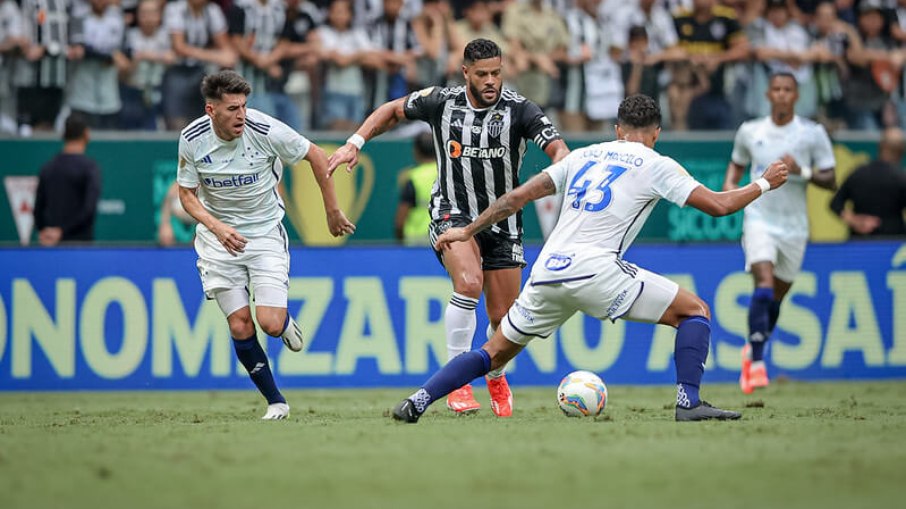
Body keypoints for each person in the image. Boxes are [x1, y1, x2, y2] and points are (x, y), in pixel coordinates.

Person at [390, 93, 789, 424]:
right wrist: (764, 182)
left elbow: (517, 198)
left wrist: (468, 230)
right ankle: (689, 402)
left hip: (548, 271)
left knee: (493, 351)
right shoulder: (657, 163)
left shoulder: (583, 156)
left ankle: (419, 400)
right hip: (597, 269)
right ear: (656, 134)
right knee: (694, 310)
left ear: (617, 130)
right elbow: (719, 205)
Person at [328, 38, 570, 417]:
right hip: (452, 214)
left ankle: (495, 374)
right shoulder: (442, 101)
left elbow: (558, 148)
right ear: (466, 74)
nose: (491, 80)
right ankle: (456, 384)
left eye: (497, 72)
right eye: (483, 74)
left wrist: (561, 166)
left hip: (504, 221)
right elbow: (392, 110)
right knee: (469, 283)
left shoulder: (521, 110)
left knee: (504, 321)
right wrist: (355, 142)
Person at [177, 70, 355, 419]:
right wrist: (216, 227)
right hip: (218, 241)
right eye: (231, 109)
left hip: (264, 235)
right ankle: (276, 402)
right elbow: (186, 194)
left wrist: (332, 212)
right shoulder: (192, 138)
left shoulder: (265, 129)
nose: (240, 115)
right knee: (240, 324)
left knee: (270, 323)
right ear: (211, 110)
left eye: (243, 106)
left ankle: (285, 323)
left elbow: (317, 155)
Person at [723, 72, 836, 395]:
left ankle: (752, 348)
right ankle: (757, 363)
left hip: (795, 227)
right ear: (768, 95)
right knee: (764, 283)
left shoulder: (812, 134)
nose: (782, 94)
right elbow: (737, 164)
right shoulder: (750, 131)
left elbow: (831, 180)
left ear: (796, 96)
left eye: (788, 90)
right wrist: (732, 186)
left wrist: (803, 171)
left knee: (775, 298)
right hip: (759, 218)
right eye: (777, 89)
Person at [33, 115, 102, 246]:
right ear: (86, 134)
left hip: (51, 245)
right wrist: (61, 232)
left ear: (64, 135)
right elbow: (89, 210)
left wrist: (46, 232)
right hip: (80, 247)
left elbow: (38, 209)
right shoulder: (90, 168)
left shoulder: (48, 167)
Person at [830, 127, 906, 237]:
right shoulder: (901, 178)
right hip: (893, 244)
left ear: (880, 146)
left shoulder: (858, 173)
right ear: (901, 151)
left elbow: (835, 204)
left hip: (859, 243)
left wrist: (855, 221)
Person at [395, 130, 436, 245]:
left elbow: (401, 218)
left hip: (416, 244)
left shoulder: (413, 177)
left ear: (416, 151)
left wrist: (399, 241)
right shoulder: (447, 173)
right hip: (443, 240)